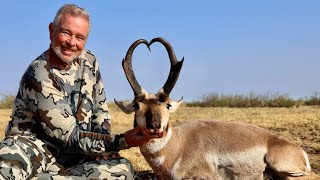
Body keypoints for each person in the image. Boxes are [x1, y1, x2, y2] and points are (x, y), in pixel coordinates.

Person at [0, 4, 150, 179]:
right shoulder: (39, 73)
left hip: (74, 155)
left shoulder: (90, 61)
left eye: (80, 37)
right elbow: (70, 136)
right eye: (66, 32)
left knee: (122, 169)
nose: (72, 43)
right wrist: (122, 141)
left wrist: (103, 150)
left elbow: (99, 111)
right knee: (7, 171)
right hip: (32, 150)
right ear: (51, 30)